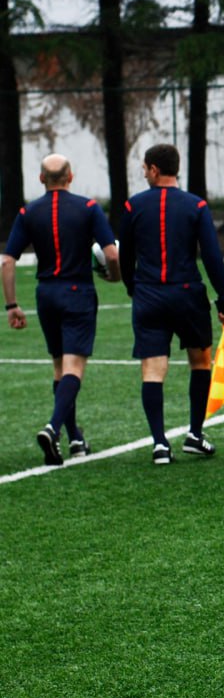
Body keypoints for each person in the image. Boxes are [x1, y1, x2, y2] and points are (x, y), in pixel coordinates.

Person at [1, 154, 120, 465]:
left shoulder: (28, 212)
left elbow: (7, 261)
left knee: (59, 368)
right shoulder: (89, 207)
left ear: (42, 179)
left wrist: (12, 305)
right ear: (71, 176)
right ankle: (53, 428)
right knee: (74, 368)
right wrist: (115, 276)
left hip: (46, 295)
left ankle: (75, 438)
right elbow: (112, 254)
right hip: (78, 292)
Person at [119, 144, 224, 465]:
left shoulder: (133, 206)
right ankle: (195, 434)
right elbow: (211, 255)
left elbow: (125, 254)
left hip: (148, 295)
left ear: (155, 170)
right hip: (187, 295)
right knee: (200, 361)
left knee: (153, 369)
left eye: (145, 168)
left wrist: (132, 286)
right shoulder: (196, 205)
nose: (144, 173)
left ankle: (159, 444)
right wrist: (223, 298)